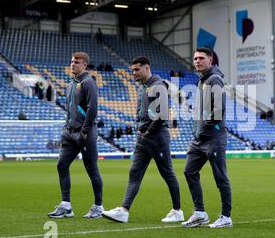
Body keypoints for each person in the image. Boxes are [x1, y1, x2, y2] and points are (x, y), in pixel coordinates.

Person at [101, 56, 183, 223]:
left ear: (147, 68)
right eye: (132, 70)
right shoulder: (143, 87)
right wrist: (140, 129)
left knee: (167, 173)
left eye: (137, 70)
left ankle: (177, 211)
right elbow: (143, 112)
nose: (134, 73)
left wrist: (147, 132)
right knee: (134, 173)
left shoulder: (157, 86)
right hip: (144, 138)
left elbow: (161, 115)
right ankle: (124, 210)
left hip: (156, 137)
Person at [48, 52, 104, 219]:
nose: (73, 64)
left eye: (77, 62)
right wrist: (67, 127)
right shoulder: (70, 84)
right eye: (72, 61)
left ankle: (98, 207)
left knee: (91, 169)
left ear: (85, 65)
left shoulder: (89, 82)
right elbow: (70, 108)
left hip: (85, 133)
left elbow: (92, 110)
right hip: (69, 133)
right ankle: (66, 206)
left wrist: (84, 131)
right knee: (61, 165)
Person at [181, 47, 233, 228]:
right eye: (195, 58)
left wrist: (203, 130)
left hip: (214, 138)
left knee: (220, 177)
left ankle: (226, 217)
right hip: (200, 139)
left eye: (201, 58)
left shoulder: (214, 79)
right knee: (189, 171)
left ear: (210, 61)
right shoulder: (201, 81)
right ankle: (200, 213)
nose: (197, 61)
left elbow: (218, 111)